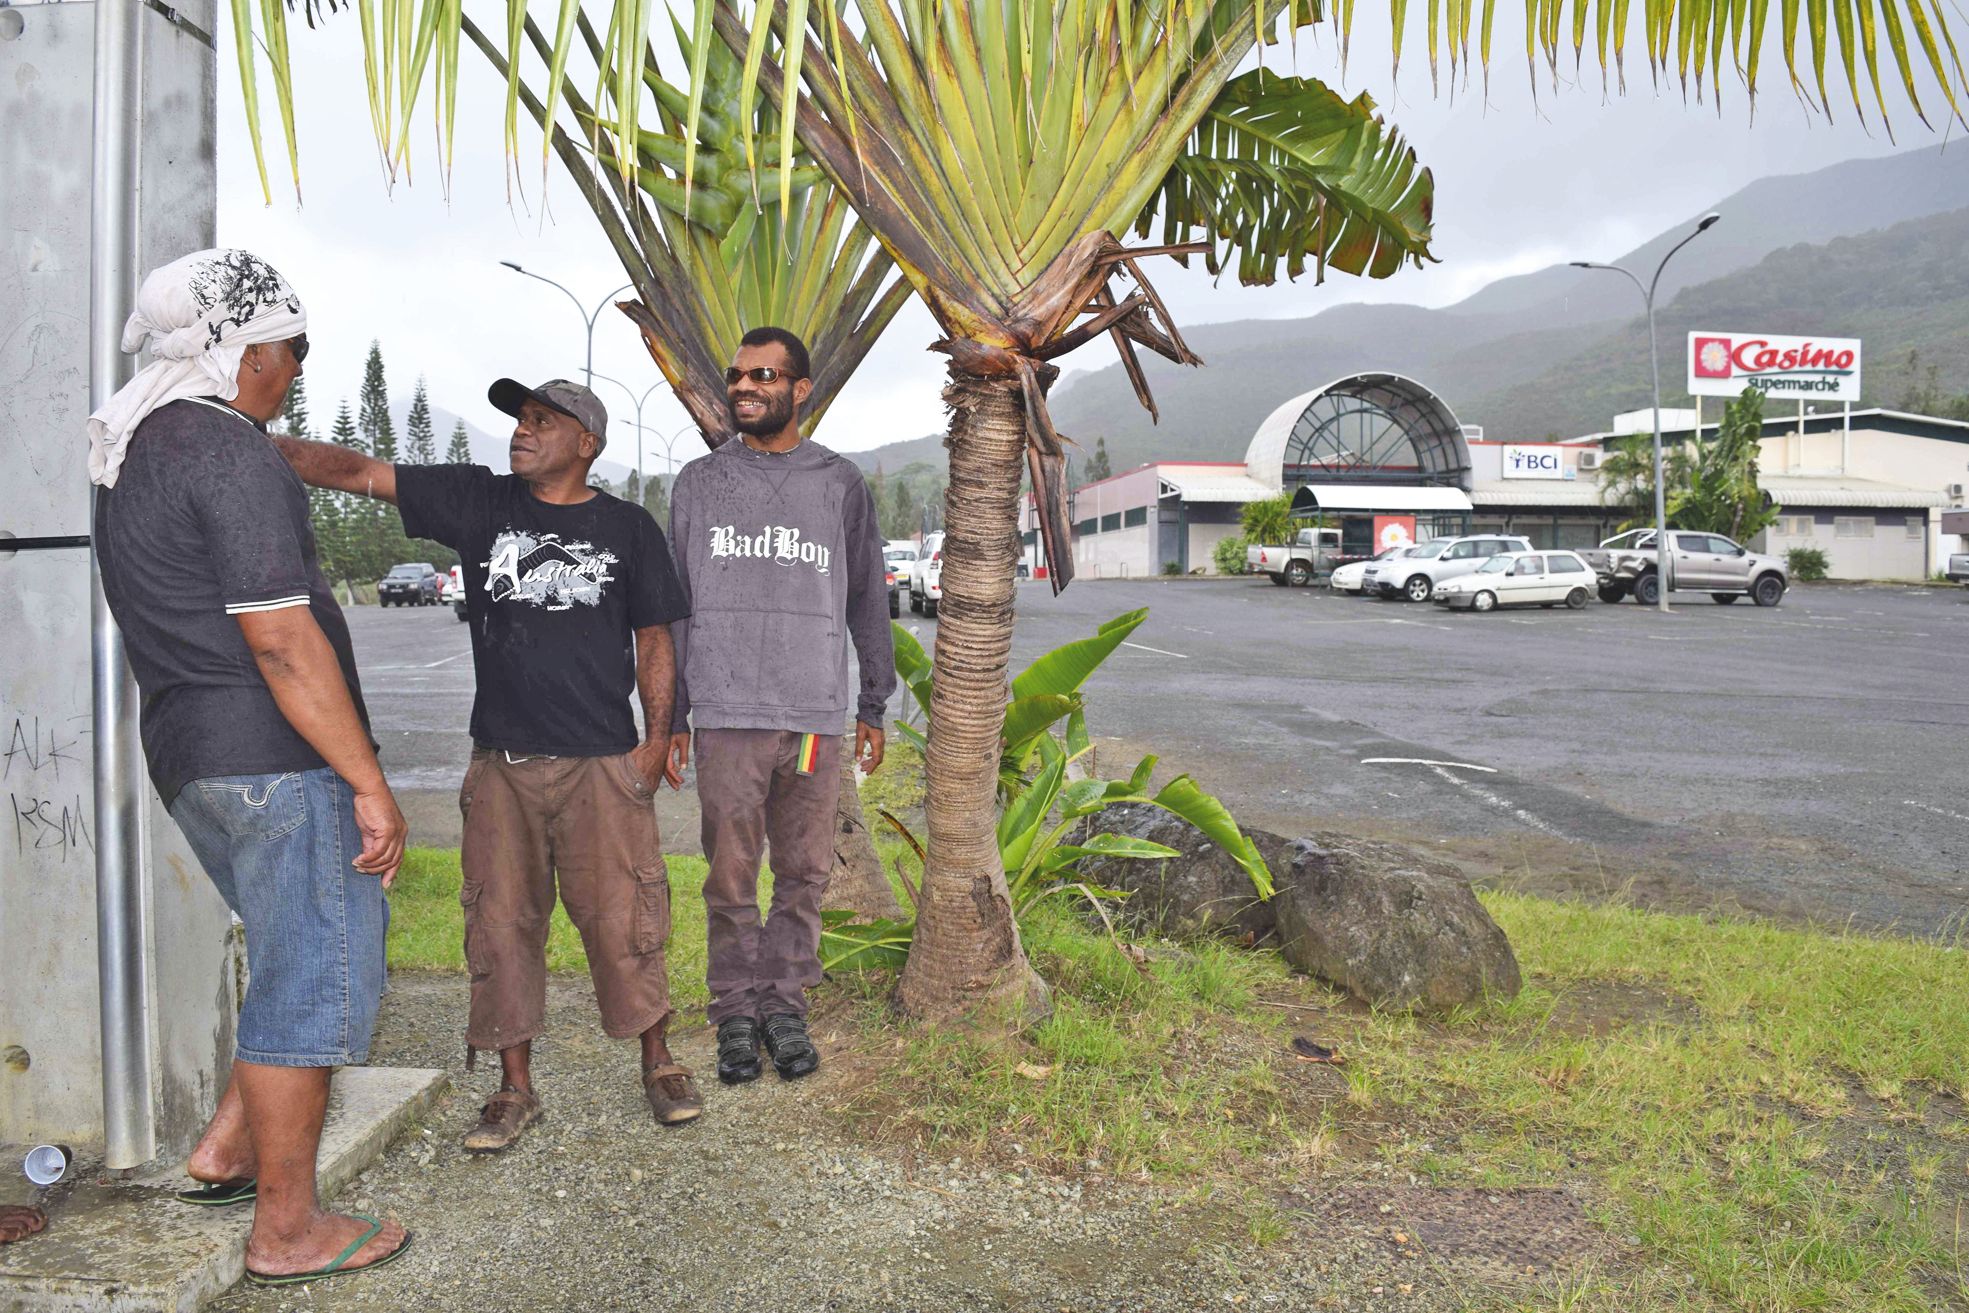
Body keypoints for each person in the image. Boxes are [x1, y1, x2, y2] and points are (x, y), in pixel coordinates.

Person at [87, 249, 410, 1286]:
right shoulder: (229, 451)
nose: (297, 369)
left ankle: (227, 1144)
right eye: (294, 350)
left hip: (191, 757)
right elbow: (280, 638)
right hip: (273, 758)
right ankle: (288, 1229)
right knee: (310, 980)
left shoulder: (135, 447)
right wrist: (366, 778)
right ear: (250, 350)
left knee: (284, 951)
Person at [273, 377, 699, 1149]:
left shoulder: (629, 527)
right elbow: (354, 473)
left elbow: (655, 639)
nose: (522, 432)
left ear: (587, 443)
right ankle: (514, 1088)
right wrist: (243, 441)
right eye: (520, 421)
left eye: (543, 421)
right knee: (500, 924)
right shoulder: (481, 502)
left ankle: (658, 1059)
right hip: (501, 762)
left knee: (626, 919)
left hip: (601, 763)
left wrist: (657, 736)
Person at [666, 326, 896, 1084]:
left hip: (812, 716)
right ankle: (736, 1009)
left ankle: (785, 1004)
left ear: (800, 390)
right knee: (729, 875)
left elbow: (868, 597)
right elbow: (674, 609)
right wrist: (670, 715)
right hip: (727, 713)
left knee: (802, 872)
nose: (743, 387)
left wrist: (871, 702)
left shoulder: (837, 483)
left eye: (763, 375)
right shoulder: (700, 485)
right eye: (735, 375)